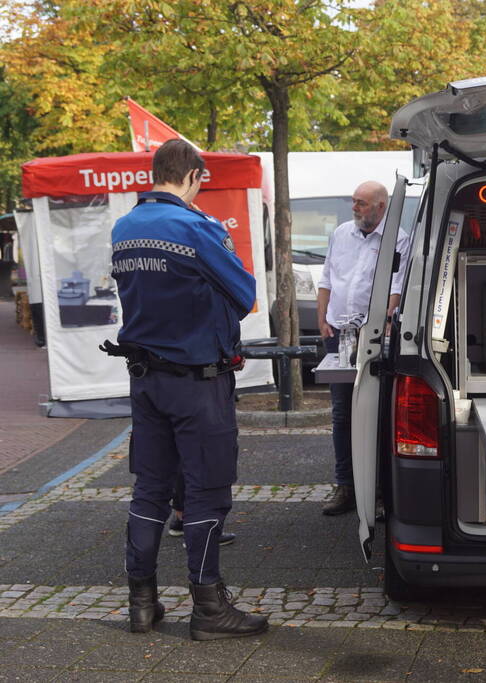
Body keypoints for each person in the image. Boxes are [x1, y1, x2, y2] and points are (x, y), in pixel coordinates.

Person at [106, 139, 267, 640]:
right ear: (195, 175)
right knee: (206, 492)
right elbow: (244, 295)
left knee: (150, 489)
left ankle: (142, 602)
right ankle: (209, 608)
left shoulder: (124, 227)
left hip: (145, 381)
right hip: (197, 381)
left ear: (155, 173)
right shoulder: (197, 227)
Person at [317, 180, 410, 515]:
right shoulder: (342, 233)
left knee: (377, 412)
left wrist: (386, 323)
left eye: (361, 203)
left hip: (370, 337)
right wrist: (322, 317)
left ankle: (380, 491)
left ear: (380, 207)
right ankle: (346, 486)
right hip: (337, 331)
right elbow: (327, 277)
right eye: (354, 202)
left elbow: (396, 288)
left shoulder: (397, 239)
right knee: (342, 414)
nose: (354, 207)